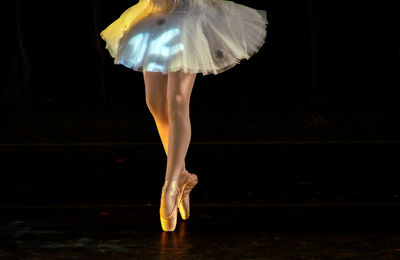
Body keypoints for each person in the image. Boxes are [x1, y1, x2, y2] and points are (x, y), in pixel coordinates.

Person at [100, 0, 268, 232]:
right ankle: (182, 177)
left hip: (189, 14)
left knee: (177, 99)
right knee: (155, 103)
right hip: (157, 13)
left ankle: (169, 187)